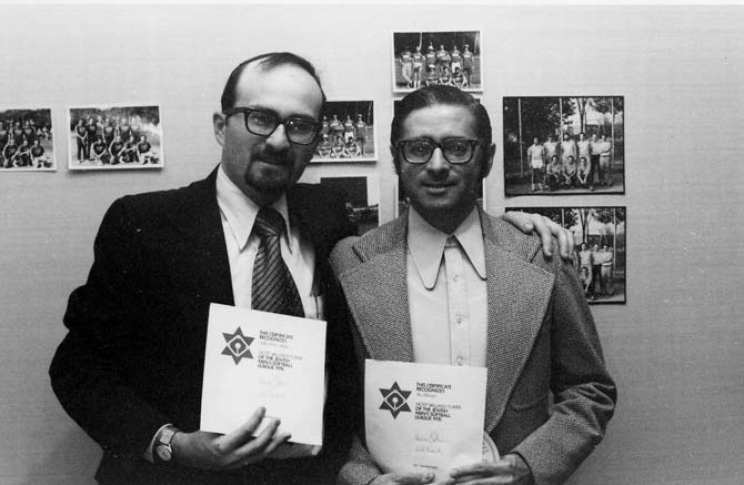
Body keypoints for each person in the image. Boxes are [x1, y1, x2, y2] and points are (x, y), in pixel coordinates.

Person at [50, 53, 570, 485]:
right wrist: (174, 444)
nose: (279, 140)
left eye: (299, 125)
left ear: (316, 140)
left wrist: (503, 229)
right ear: (221, 126)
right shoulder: (146, 225)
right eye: (260, 117)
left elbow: (428, 231)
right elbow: (78, 369)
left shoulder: (326, 221)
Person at [330, 85, 616, 485]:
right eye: (418, 148)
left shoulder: (543, 257)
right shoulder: (350, 262)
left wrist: (528, 466)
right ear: (396, 158)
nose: (437, 165)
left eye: (457, 148)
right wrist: (363, 479)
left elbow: (590, 389)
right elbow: (334, 405)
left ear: (487, 159)